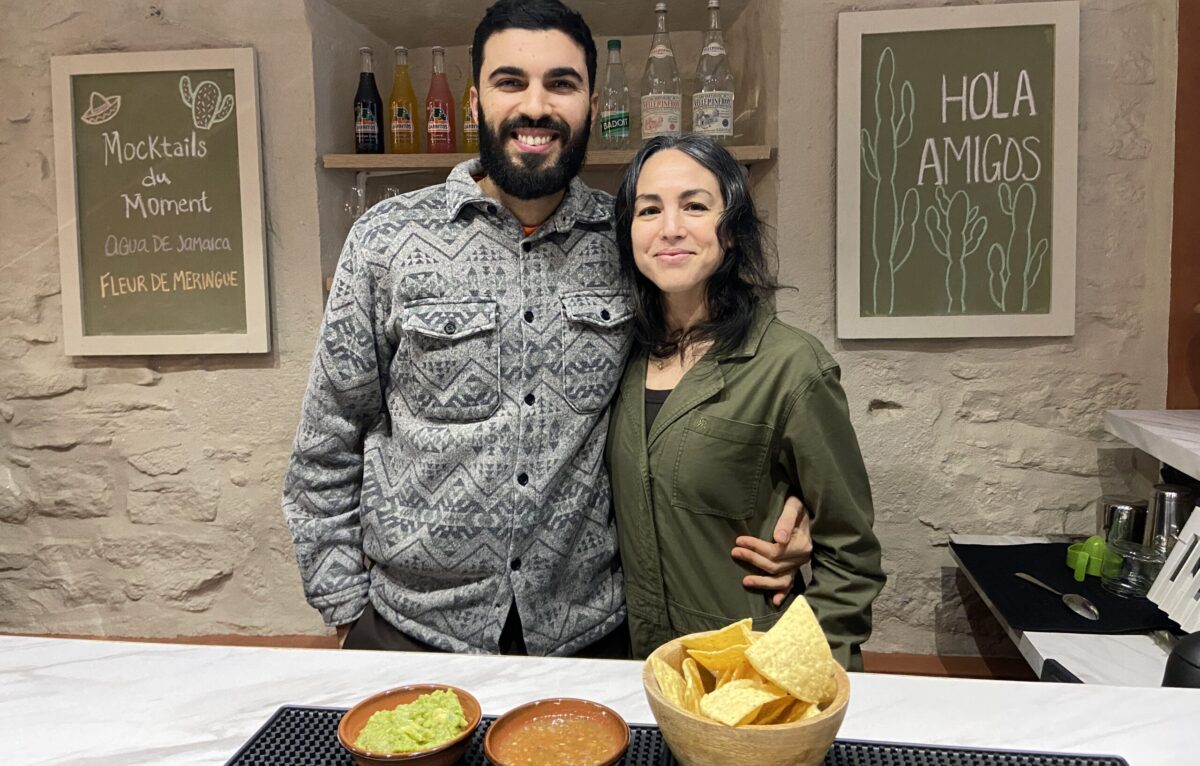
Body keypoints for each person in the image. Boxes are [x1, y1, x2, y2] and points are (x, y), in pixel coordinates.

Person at [282, 0, 809, 658]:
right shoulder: (386, 241)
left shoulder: (631, 244)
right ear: (476, 102)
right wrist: (343, 612)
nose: (536, 106)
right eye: (511, 82)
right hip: (408, 630)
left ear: (590, 102)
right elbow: (327, 442)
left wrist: (792, 504)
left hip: (589, 633)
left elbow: (744, 378)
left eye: (561, 83)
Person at [607, 134, 885, 670]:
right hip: (645, 666)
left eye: (695, 206)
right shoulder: (617, 359)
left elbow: (852, 556)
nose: (670, 228)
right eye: (649, 209)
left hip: (755, 667)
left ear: (730, 228)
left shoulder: (792, 367)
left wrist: (800, 674)